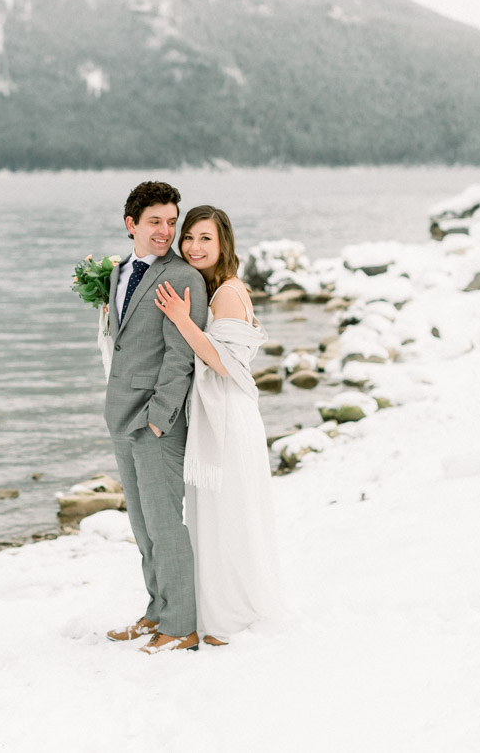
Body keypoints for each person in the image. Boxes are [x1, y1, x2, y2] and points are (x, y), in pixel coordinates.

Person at [155, 205, 280, 645]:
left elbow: (223, 362)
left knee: (229, 515)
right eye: (188, 237)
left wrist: (181, 319)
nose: (193, 246)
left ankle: (231, 619)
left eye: (205, 238)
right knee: (217, 514)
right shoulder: (210, 287)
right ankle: (220, 611)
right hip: (219, 414)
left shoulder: (227, 292)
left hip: (228, 418)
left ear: (224, 242)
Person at [104, 181, 208, 654]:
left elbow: (180, 356)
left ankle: (182, 626)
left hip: (156, 422)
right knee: (143, 527)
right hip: (120, 416)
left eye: (172, 221)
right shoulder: (119, 271)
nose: (167, 231)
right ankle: (156, 611)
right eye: (156, 222)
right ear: (132, 225)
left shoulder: (184, 277)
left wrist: (158, 420)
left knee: (166, 525)